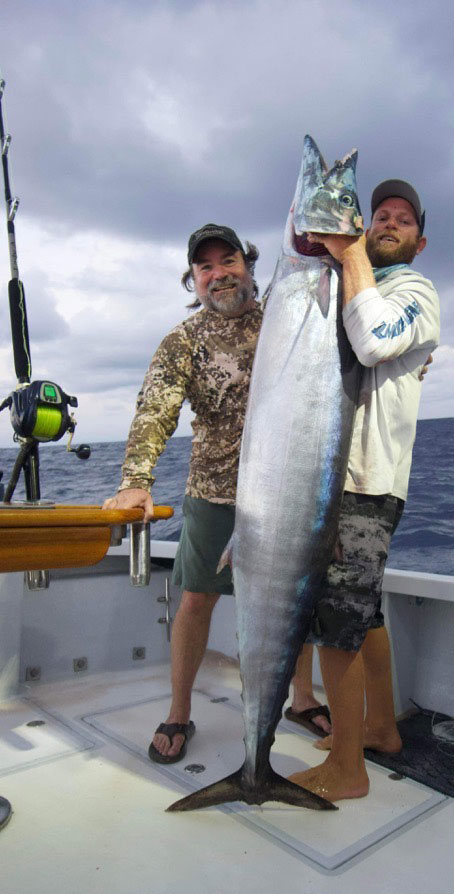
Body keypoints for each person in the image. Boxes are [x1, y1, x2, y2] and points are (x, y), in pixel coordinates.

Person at [103, 223, 330, 763]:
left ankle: (300, 698)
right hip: (215, 492)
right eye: (205, 268)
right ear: (193, 281)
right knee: (196, 600)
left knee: (295, 595)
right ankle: (180, 711)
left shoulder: (288, 314)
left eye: (228, 261)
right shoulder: (182, 341)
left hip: (288, 492)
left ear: (250, 267)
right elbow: (156, 410)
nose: (218, 274)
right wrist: (137, 479)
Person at [288, 179, 440, 802]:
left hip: (363, 485)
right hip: (345, 480)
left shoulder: (414, 290)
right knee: (364, 614)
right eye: (379, 215)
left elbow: (376, 341)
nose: (386, 222)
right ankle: (380, 728)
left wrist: (349, 250)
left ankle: (347, 770)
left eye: (401, 219)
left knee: (336, 623)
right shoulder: (361, 285)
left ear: (419, 242)